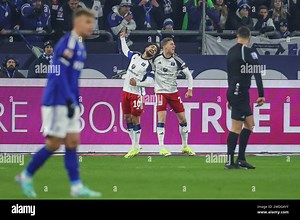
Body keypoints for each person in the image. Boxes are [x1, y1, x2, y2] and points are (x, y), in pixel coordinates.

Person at [15, 8, 101, 198]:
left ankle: (76, 187)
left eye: (93, 22)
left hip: (68, 100)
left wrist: (75, 100)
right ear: (77, 23)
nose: (91, 26)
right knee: (54, 144)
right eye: (88, 22)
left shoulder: (80, 47)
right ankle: (26, 175)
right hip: (56, 101)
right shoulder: (67, 43)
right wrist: (70, 99)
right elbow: (59, 74)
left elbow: (73, 78)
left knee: (72, 141)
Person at [226, 26, 265, 169]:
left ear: (237, 36)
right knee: (236, 128)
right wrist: (261, 94)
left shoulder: (230, 52)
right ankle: (230, 162)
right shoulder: (247, 52)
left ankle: (241, 159)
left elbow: (230, 75)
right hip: (240, 93)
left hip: (235, 92)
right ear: (249, 38)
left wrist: (229, 96)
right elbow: (257, 73)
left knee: (249, 124)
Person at [152, 37, 195, 157]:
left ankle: (185, 146)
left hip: (173, 92)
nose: (174, 46)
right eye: (171, 44)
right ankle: (161, 147)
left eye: (174, 44)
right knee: (161, 119)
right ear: (165, 47)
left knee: (183, 119)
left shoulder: (177, 60)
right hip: (160, 92)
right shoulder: (155, 58)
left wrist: (190, 90)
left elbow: (189, 76)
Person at [119, 31, 159, 158]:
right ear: (146, 48)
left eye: (155, 50)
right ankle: (134, 145)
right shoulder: (135, 56)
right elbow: (126, 51)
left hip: (137, 94)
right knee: (127, 118)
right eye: (152, 47)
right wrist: (122, 39)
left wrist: (137, 83)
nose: (153, 50)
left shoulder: (149, 66)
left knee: (135, 119)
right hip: (126, 91)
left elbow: (150, 82)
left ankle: (135, 146)